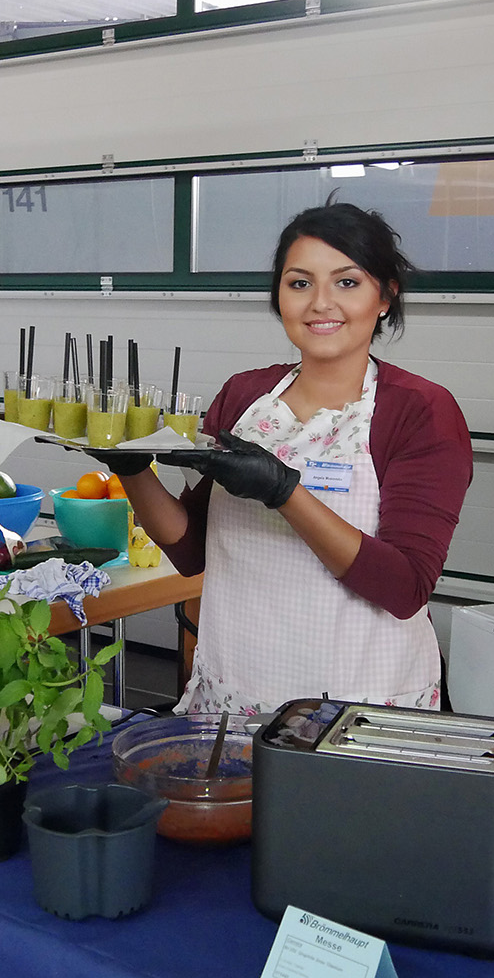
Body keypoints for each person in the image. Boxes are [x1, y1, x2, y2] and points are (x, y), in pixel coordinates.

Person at [115, 201, 472, 715]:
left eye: (347, 282)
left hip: (357, 703)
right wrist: (130, 468)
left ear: (385, 297)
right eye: (300, 283)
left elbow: (404, 587)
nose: (320, 303)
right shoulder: (245, 396)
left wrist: (284, 493)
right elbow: (193, 550)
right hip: (236, 691)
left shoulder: (420, 410)